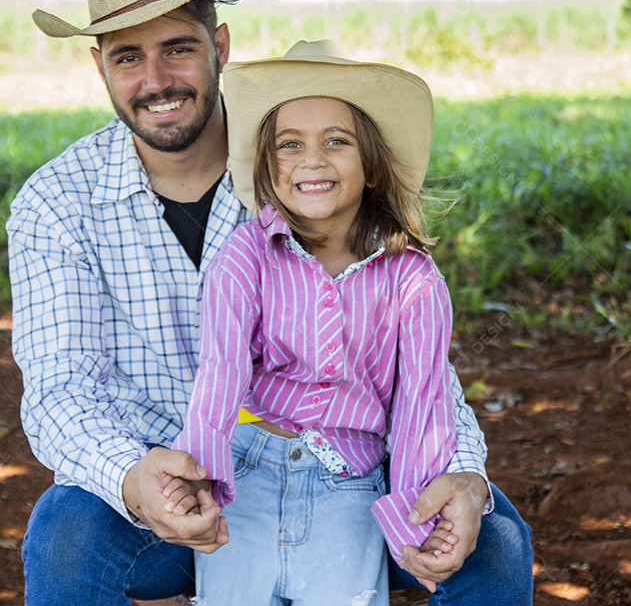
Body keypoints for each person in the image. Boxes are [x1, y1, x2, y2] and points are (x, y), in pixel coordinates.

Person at [7, 0, 533, 606]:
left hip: (347, 475)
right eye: (128, 57)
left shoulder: (305, 174)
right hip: (170, 486)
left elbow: (418, 364)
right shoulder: (57, 202)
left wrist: (465, 474)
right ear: (99, 66)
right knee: (65, 534)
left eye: (178, 49)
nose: (156, 80)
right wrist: (133, 477)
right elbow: (59, 387)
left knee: (495, 542)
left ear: (219, 46)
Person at [166, 39, 458, 606]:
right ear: (268, 166)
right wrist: (200, 475)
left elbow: (422, 403)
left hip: (348, 484)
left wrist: (414, 515)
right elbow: (220, 373)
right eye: (290, 144)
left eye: (337, 141)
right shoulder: (246, 256)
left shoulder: (414, 279)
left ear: (371, 166)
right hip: (248, 470)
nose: (313, 160)